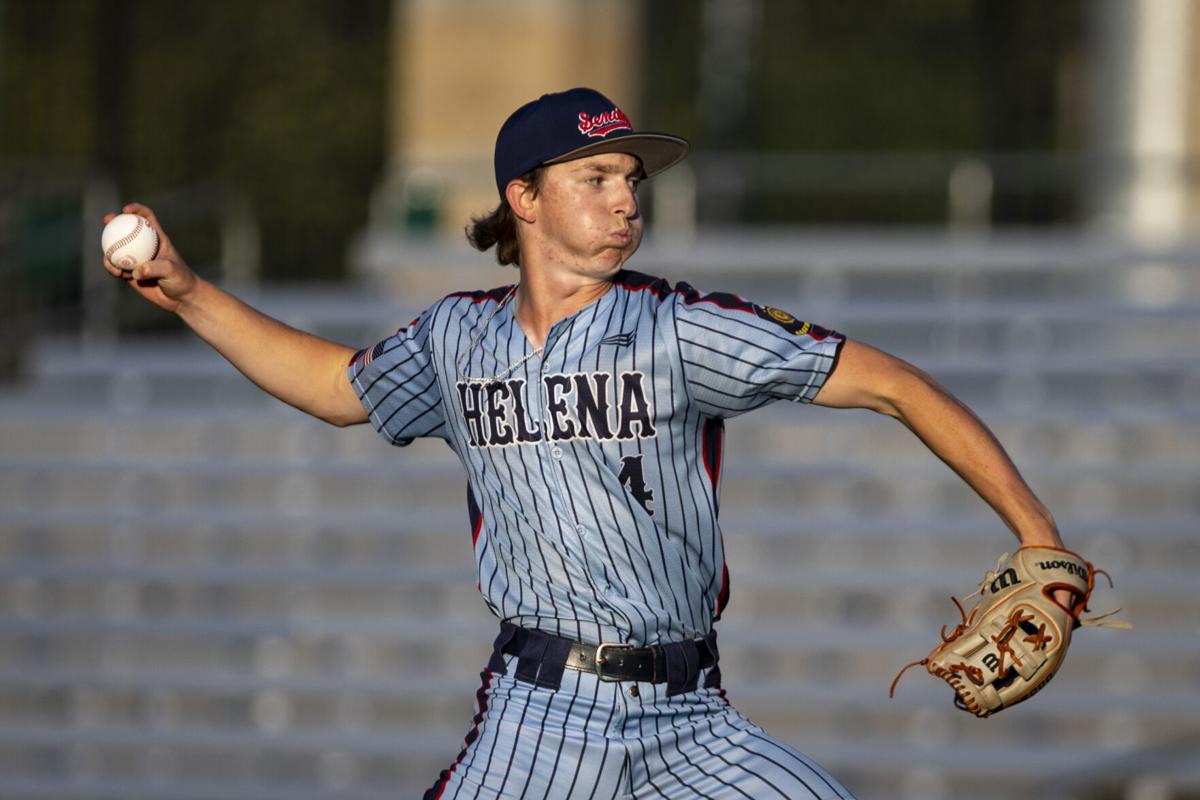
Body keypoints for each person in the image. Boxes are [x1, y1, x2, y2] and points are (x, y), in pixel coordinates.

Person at [105, 87, 1066, 800]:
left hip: (696, 720)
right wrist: (188, 290)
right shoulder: (456, 339)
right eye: (596, 176)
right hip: (541, 716)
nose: (625, 199)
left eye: (630, 179)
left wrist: (1036, 535)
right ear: (524, 197)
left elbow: (896, 386)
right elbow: (333, 386)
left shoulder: (681, 328)